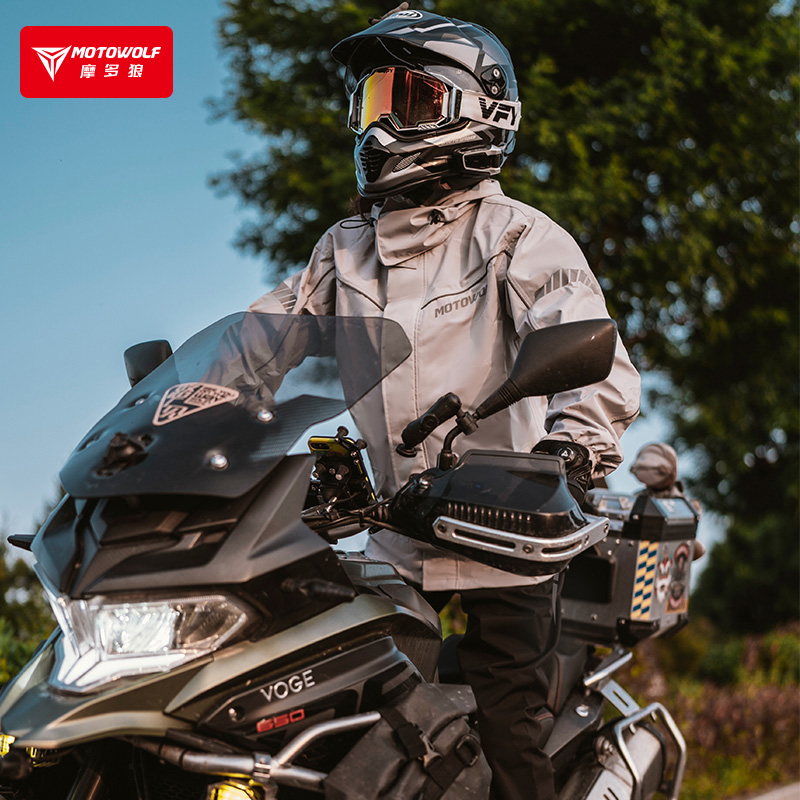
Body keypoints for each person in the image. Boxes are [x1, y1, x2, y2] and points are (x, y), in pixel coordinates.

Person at [249, 7, 641, 799]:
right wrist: (191, 401)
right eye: (370, 101)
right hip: (386, 533)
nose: (383, 125)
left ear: (479, 112)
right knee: (350, 717)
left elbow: (593, 357)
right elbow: (263, 340)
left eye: (412, 101)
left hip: (506, 531)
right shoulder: (343, 250)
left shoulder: (517, 236)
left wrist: (565, 453)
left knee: (509, 735)